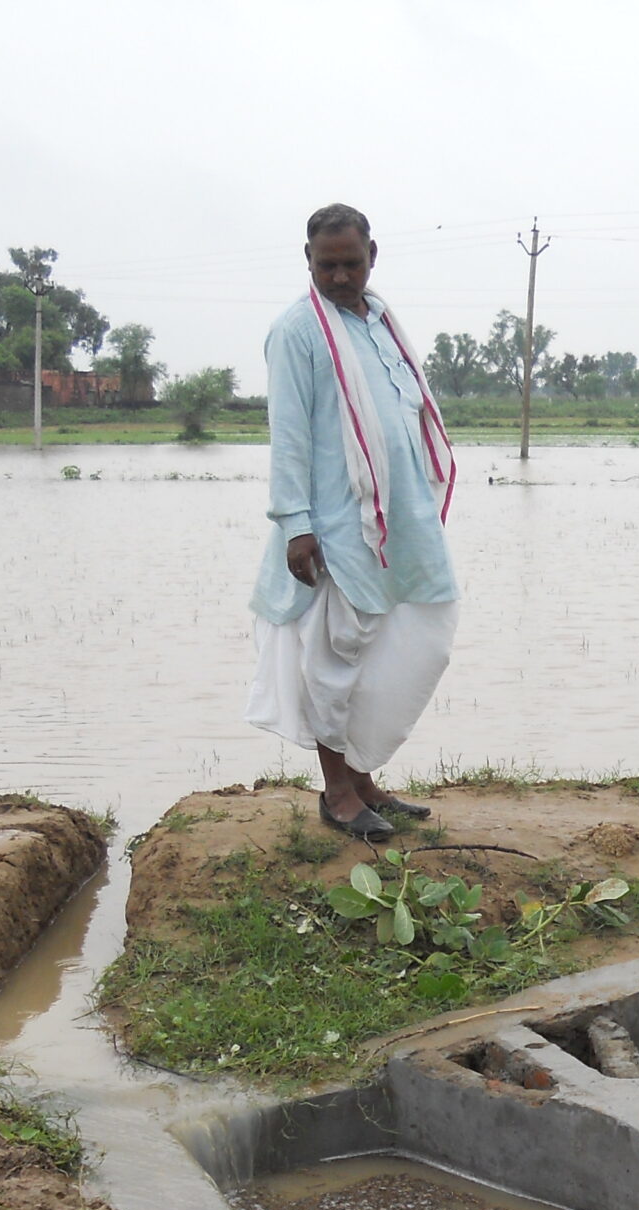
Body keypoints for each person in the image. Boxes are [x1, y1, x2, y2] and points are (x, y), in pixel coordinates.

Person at [244, 203, 461, 842]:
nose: (339, 277)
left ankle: (364, 777)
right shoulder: (298, 332)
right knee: (334, 655)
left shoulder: (383, 320)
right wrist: (295, 525)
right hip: (335, 525)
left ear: (373, 257)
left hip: (401, 520)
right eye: (326, 265)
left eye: (351, 264)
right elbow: (288, 436)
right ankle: (338, 791)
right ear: (307, 261)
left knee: (415, 638)